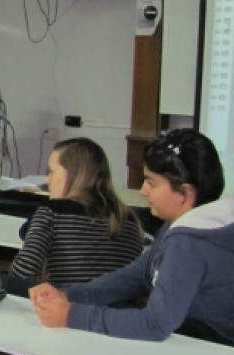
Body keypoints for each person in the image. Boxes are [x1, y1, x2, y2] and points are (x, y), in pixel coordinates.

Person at [31, 128, 234, 342]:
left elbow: (154, 324)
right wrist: (68, 296)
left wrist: (72, 315)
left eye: (151, 182)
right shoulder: (185, 223)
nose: (143, 190)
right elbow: (137, 276)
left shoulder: (188, 241)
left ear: (185, 194)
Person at [5, 137, 144, 297]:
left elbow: (21, 275)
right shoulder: (129, 219)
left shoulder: (53, 212)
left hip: (70, 313)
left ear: (72, 174)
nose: (47, 180)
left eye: (52, 171)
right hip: (118, 317)